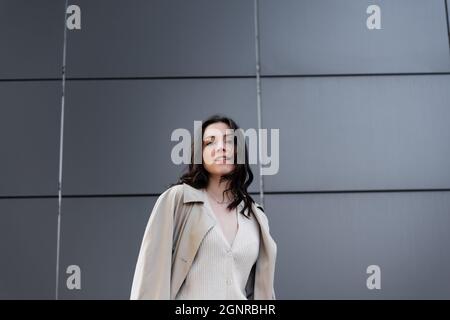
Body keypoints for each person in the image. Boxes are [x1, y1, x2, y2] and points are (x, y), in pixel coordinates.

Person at [130, 114, 277, 299]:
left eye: (229, 141)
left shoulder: (256, 216)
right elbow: (150, 276)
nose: (221, 147)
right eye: (210, 142)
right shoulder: (178, 200)